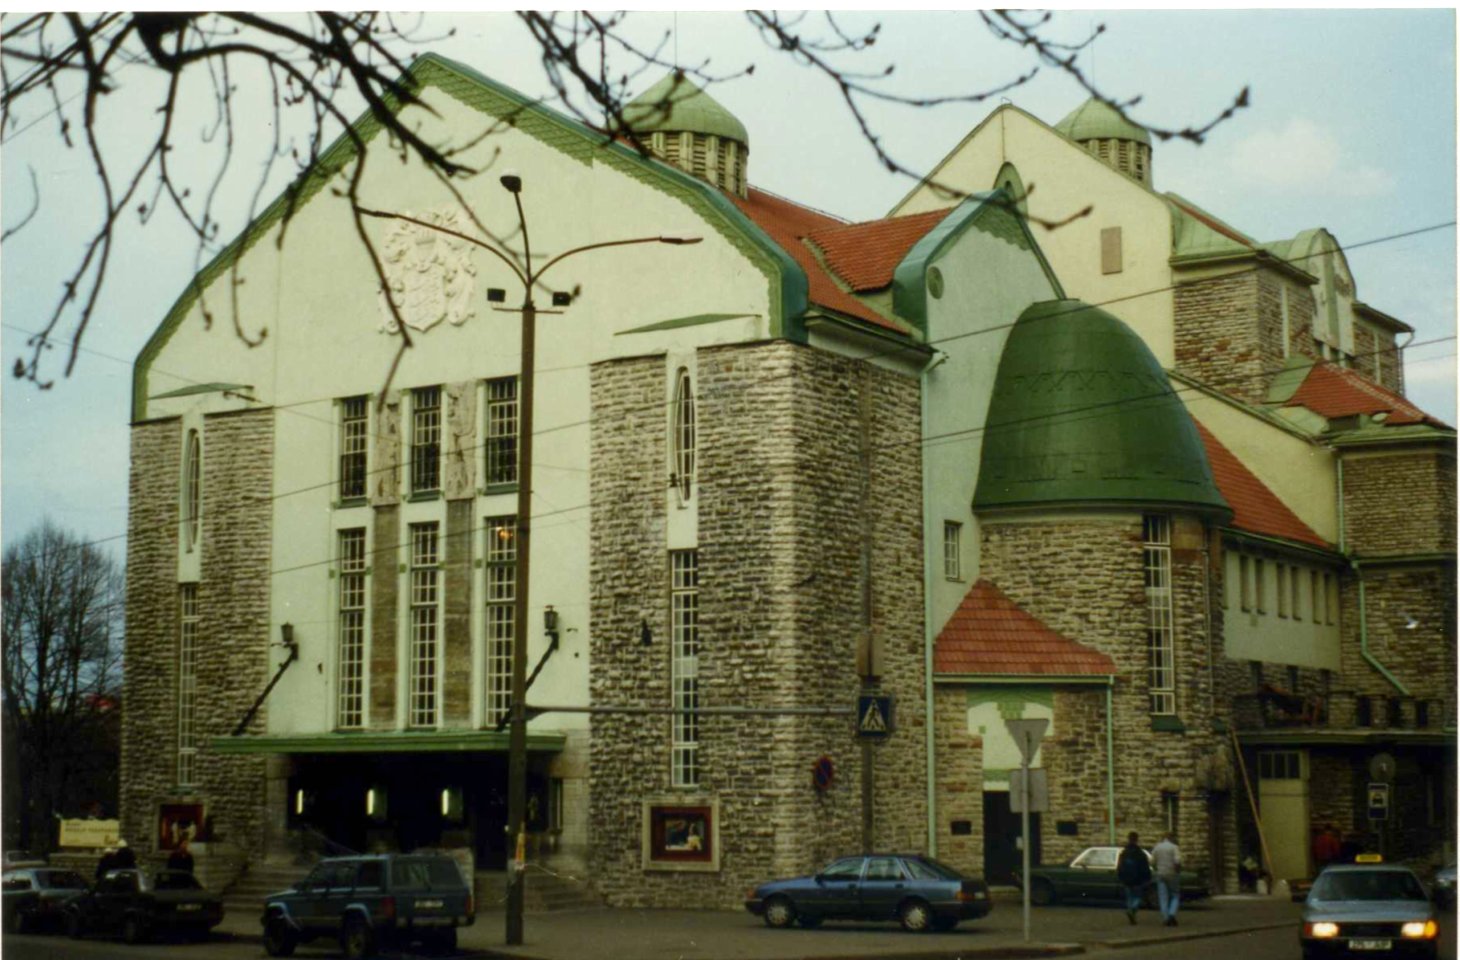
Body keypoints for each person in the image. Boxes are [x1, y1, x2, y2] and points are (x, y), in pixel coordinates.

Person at [1116, 831, 1153, 925]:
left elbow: (1119, 865)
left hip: (1126, 878)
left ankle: (1130, 909)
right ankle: (1133, 909)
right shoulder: (1140, 853)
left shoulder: (1124, 852)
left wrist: (1120, 876)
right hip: (1138, 879)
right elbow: (1145, 867)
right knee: (1138, 897)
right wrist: (1147, 878)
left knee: (1129, 896)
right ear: (1137, 840)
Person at [1150, 832, 1182, 927]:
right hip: (1171, 873)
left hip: (1160, 873)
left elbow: (1152, 861)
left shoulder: (1157, 847)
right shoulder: (1174, 847)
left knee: (1163, 896)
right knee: (1175, 894)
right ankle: (1172, 913)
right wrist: (1177, 871)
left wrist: (1157, 868)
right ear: (1171, 838)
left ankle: (1165, 917)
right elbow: (1177, 861)